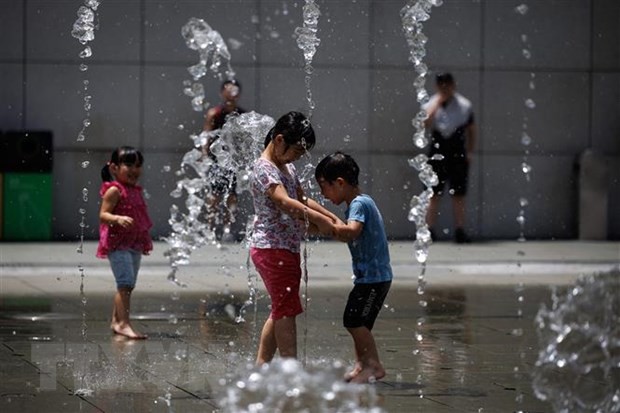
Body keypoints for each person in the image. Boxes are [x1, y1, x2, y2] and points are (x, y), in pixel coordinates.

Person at [250, 111, 341, 365]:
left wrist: (330, 218)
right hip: (271, 248)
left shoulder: (286, 167)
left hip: (285, 248)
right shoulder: (264, 168)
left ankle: (261, 366)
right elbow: (283, 202)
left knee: (281, 308)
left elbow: (301, 200)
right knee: (286, 310)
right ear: (279, 140)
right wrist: (320, 222)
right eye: (296, 152)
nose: (297, 159)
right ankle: (291, 370)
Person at [315, 151, 393, 384]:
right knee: (359, 323)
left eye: (324, 187)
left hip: (374, 279)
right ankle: (362, 365)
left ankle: (374, 366)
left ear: (339, 183)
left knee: (354, 321)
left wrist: (328, 225)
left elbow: (352, 232)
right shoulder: (359, 203)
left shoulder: (359, 204)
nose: (322, 194)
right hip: (370, 278)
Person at [97, 146, 153, 339]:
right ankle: (124, 323)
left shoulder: (135, 190)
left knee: (127, 285)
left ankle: (116, 321)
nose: (134, 170)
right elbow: (103, 215)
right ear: (114, 168)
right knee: (125, 283)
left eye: (138, 165)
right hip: (118, 244)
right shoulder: (114, 190)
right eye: (128, 165)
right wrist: (117, 219)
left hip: (134, 244)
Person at [422, 72, 476, 243]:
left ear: (453, 85)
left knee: (458, 193)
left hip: (457, 151)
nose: (445, 88)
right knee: (433, 193)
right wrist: (438, 103)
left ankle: (459, 230)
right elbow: (425, 123)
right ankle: (429, 230)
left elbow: (472, 130)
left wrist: (470, 151)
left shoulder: (464, 105)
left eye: (448, 84)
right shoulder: (431, 103)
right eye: (441, 85)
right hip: (438, 151)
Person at [203, 79, 246, 241]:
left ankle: (228, 228)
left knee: (232, 196)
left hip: (234, 162)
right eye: (228, 90)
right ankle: (210, 228)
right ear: (222, 93)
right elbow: (206, 137)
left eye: (234, 91)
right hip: (216, 160)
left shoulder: (242, 115)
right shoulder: (215, 114)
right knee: (214, 196)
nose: (231, 94)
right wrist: (204, 155)